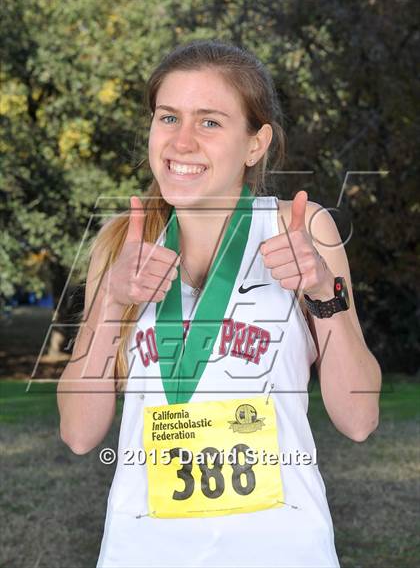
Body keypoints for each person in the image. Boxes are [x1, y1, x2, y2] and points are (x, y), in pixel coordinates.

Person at [57, 39, 381, 568]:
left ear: (255, 144)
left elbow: (360, 418)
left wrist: (324, 293)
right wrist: (112, 303)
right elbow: (77, 434)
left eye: (210, 122)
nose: (181, 142)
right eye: (168, 117)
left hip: (283, 549)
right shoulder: (121, 242)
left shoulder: (300, 230)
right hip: (143, 549)